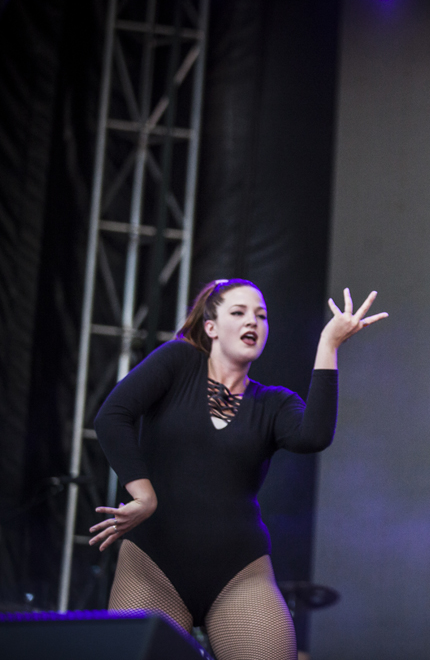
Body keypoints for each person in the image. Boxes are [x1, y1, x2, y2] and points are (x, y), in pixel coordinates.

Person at [89, 279, 387, 660]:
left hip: (237, 571)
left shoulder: (274, 403)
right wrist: (143, 493)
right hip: (153, 563)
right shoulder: (177, 362)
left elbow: (313, 436)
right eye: (239, 312)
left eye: (261, 316)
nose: (253, 321)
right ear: (211, 327)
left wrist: (329, 344)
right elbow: (112, 416)